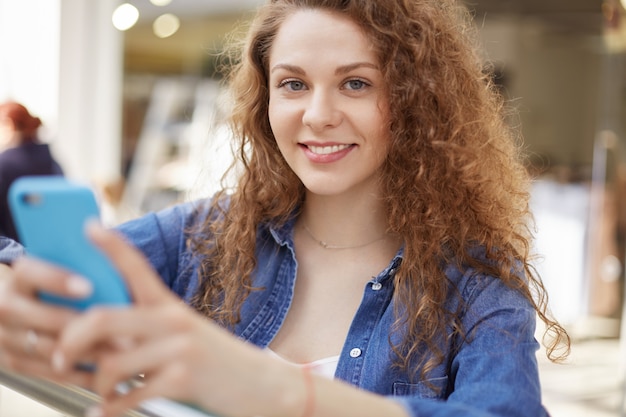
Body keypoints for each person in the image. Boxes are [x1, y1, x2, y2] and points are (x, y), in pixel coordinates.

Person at [0, 1, 570, 416]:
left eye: (355, 84)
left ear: (416, 102)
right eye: (293, 84)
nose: (317, 115)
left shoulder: (474, 279)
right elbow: (25, 269)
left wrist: (272, 391)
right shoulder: (208, 234)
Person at [0, 101, 64, 242]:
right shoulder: (53, 163)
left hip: (12, 253)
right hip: (50, 249)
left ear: (9, 125)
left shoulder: (4, 163)